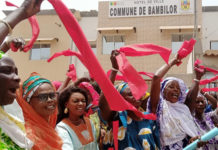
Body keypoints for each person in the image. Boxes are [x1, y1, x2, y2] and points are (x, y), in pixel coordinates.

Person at [0, 0, 44, 149]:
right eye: (6, 72)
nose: (17, 78)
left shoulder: (10, 120)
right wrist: (22, 12)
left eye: (16, 72)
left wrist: (6, 46)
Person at [99, 50, 160, 150]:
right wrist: (114, 69)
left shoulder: (148, 118)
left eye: (137, 93)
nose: (136, 96)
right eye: (130, 94)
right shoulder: (115, 117)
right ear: (120, 99)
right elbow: (103, 102)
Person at [149, 55, 206, 149]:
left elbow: (190, 100)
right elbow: (156, 78)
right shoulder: (158, 106)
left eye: (178, 89)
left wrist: (197, 78)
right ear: (163, 91)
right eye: (171, 87)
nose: (176, 90)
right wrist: (172, 62)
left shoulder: (183, 109)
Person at [16, 72, 62, 150]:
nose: (50, 100)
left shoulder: (48, 125)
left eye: (52, 95)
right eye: (43, 97)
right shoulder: (28, 135)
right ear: (28, 102)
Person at [56, 85, 99, 150]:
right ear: (66, 104)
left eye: (83, 101)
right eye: (76, 101)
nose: (81, 103)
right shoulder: (62, 128)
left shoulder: (89, 122)